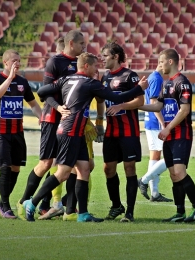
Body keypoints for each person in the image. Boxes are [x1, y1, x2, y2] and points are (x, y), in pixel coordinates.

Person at [23, 52, 148, 222]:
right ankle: (32, 202)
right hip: (70, 132)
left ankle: (82, 213)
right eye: (95, 66)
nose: (98, 69)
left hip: (75, 132)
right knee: (63, 173)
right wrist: (139, 88)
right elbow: (116, 97)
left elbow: (42, 91)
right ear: (86, 66)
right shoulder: (90, 83)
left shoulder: (67, 79)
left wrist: (58, 106)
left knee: (84, 169)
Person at [16, 30, 87, 220]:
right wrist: (59, 107)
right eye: (81, 44)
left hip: (71, 120)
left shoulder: (80, 64)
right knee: (46, 163)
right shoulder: (55, 62)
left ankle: (69, 210)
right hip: (52, 117)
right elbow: (44, 92)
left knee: (73, 165)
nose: (84, 47)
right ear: (71, 43)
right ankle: (24, 201)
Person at [139, 48, 195, 223]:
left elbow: (184, 110)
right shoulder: (166, 84)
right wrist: (136, 106)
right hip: (168, 136)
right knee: (173, 175)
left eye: (161, 62)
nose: (159, 65)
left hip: (181, 134)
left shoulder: (182, 83)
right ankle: (180, 211)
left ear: (170, 61)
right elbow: (157, 106)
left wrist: (167, 128)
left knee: (180, 172)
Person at [0, 49, 42, 219]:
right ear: (5, 62)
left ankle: (2, 202)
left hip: (17, 133)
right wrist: (9, 78)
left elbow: (33, 103)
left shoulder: (22, 82)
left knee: (16, 169)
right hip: (0, 132)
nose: (17, 64)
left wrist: (42, 118)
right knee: (5, 167)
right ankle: (5, 205)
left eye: (19, 61)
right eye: (14, 61)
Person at [99, 42, 145, 222]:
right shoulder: (104, 77)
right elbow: (101, 101)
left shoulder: (130, 76)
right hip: (111, 132)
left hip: (128, 131)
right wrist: (99, 121)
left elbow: (140, 100)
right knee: (108, 169)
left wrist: (121, 106)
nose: (103, 59)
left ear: (115, 56)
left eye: (105, 55)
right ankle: (117, 205)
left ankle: (130, 212)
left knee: (129, 168)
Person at [138, 66, 173, 202]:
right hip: (155, 122)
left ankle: (155, 192)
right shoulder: (157, 78)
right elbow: (153, 102)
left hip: (150, 122)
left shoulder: (153, 77)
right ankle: (144, 180)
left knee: (155, 155)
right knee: (171, 156)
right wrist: (163, 123)